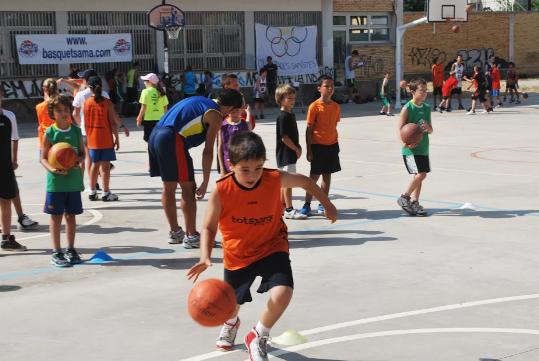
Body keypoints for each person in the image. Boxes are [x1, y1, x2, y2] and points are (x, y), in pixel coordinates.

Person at [186, 132, 337, 358]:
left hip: (272, 245)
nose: (252, 175)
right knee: (230, 304)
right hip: (238, 254)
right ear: (231, 164)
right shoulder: (222, 189)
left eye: (258, 168)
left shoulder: (273, 178)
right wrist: (205, 256)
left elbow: (305, 182)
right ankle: (231, 322)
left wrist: (327, 204)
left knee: (283, 293)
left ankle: (258, 335)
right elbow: (208, 227)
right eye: (245, 169)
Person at [148, 90, 243, 246]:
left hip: (156, 134)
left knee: (168, 187)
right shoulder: (215, 115)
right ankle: (191, 236)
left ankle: (175, 233)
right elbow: (208, 151)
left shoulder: (201, 100)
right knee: (188, 186)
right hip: (172, 138)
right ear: (231, 107)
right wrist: (205, 181)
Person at [41, 94, 85, 266]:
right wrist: (53, 169)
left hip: (73, 181)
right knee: (56, 217)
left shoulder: (75, 131)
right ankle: (56, 251)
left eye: (66, 110)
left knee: (71, 216)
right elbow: (43, 158)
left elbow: (82, 154)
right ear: (53, 113)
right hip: (56, 183)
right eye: (59, 111)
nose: (63, 113)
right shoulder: (50, 132)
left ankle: (71, 249)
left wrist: (77, 161)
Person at [72, 69, 129, 191]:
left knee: (90, 159)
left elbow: (75, 114)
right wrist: (120, 128)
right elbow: (111, 117)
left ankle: (93, 186)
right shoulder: (104, 95)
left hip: (86, 130)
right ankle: (104, 190)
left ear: (87, 81)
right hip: (102, 132)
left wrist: (80, 125)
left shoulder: (81, 95)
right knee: (104, 164)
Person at [299, 75, 341, 217]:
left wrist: (333, 140)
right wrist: (309, 150)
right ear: (319, 88)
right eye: (326, 86)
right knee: (313, 178)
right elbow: (308, 129)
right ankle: (306, 204)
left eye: (332, 86)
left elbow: (334, 125)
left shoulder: (336, 106)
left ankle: (323, 203)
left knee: (327, 176)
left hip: (332, 145)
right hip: (317, 146)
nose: (330, 89)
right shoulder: (314, 106)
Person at [396, 78, 433, 217]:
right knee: (420, 175)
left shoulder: (427, 108)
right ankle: (404, 197)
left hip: (423, 148)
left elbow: (431, 131)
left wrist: (428, 128)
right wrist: (405, 143)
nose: (424, 93)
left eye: (426, 90)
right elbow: (400, 129)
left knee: (420, 177)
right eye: (421, 90)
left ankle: (415, 202)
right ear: (413, 92)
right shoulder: (407, 108)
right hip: (410, 150)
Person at [84, 76, 120, 202]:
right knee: (105, 167)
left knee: (94, 165)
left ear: (90, 88)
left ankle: (92, 192)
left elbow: (86, 123)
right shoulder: (107, 102)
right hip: (105, 139)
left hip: (92, 139)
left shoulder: (87, 103)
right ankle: (105, 193)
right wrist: (117, 138)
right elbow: (113, 123)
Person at [0, 89, 28, 251]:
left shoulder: (9, 117)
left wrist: (14, 160)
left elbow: (14, 138)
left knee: (6, 200)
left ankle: (6, 239)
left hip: (4, 166)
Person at [275, 84, 307, 220]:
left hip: (289, 153)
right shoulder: (283, 117)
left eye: (294, 98)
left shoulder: (290, 114)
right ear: (281, 100)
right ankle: (289, 209)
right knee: (288, 182)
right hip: (286, 153)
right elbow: (284, 137)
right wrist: (296, 148)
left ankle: (282, 207)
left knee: (284, 182)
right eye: (289, 98)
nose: (293, 101)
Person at [136, 73, 169, 143]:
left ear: (150, 82)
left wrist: (139, 118)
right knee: (158, 137)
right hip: (161, 119)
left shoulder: (145, 92)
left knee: (148, 138)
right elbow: (165, 108)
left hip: (149, 120)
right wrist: (166, 119)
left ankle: (152, 150)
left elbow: (143, 107)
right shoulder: (161, 92)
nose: (144, 82)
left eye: (145, 81)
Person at [218, 108, 249, 176]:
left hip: (242, 162)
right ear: (228, 112)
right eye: (232, 111)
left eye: (237, 111)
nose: (235, 113)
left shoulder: (244, 124)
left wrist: (248, 113)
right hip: (228, 164)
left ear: (241, 110)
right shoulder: (223, 125)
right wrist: (222, 168)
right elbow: (220, 147)